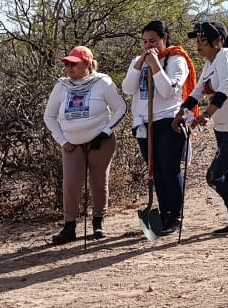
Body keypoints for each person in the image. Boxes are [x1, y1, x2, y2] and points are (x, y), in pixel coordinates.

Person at [174, 21, 228, 235]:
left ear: (218, 41)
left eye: (204, 40)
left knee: (214, 176)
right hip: (223, 128)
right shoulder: (210, 64)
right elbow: (198, 91)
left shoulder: (226, 56)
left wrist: (206, 114)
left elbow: (227, 85)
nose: (199, 45)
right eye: (198, 41)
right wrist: (180, 113)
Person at [43, 46, 127, 245]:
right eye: (67, 64)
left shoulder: (102, 82)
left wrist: (106, 131)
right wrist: (63, 141)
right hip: (72, 144)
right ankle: (69, 226)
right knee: (71, 185)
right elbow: (49, 116)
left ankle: (98, 222)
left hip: (100, 142)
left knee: (98, 182)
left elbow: (120, 108)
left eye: (74, 63)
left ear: (88, 64)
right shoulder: (62, 85)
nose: (69, 67)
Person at [121, 20, 198, 236]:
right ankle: (163, 213)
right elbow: (127, 88)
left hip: (168, 120)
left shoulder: (176, 60)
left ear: (164, 39)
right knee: (155, 170)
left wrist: (155, 64)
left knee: (169, 168)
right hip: (144, 123)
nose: (148, 46)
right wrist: (139, 65)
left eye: (153, 41)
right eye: (145, 42)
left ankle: (175, 216)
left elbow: (167, 91)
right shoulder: (138, 60)